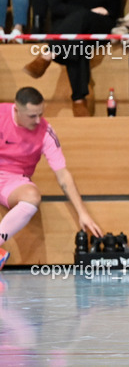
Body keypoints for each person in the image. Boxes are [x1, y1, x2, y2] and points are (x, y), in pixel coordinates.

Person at [0, 86, 103, 269]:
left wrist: (83, 213)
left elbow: (63, 175)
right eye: (32, 116)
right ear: (16, 110)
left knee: (32, 196)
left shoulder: (46, 131)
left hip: (15, 181)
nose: (38, 120)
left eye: (41, 114)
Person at [24, 0, 117, 116]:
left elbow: (104, 4)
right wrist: (88, 11)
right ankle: (79, 100)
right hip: (68, 24)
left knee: (81, 22)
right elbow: (55, 6)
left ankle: (48, 52)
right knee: (77, 39)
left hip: (99, 24)